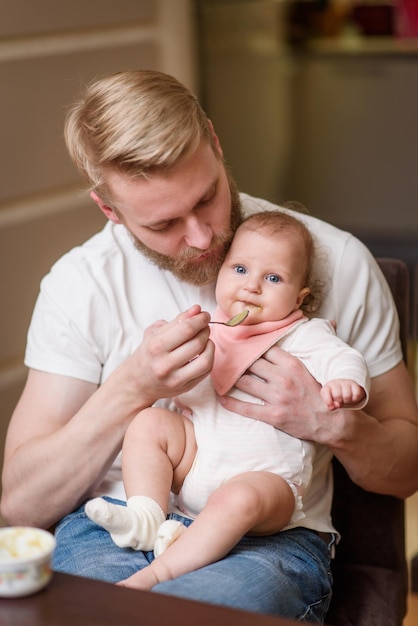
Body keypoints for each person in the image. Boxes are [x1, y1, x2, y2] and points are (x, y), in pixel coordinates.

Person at [1, 70, 417, 623]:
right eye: (165, 222)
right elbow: (19, 507)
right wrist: (132, 388)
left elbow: (407, 471)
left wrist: (330, 422)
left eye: (208, 197)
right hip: (119, 524)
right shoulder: (81, 285)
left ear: (216, 146)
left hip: (266, 538)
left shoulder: (337, 261)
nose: (201, 238)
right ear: (110, 210)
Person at [84, 210, 370, 592]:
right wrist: (162, 360)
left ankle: (158, 573)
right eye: (239, 269)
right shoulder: (209, 331)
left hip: (267, 484)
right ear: (220, 272)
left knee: (240, 497)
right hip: (197, 463)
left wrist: (345, 382)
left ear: (299, 296)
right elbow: (180, 396)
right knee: (148, 424)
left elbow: (344, 358)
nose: (251, 286)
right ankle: (146, 517)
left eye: (272, 278)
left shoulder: (302, 334)